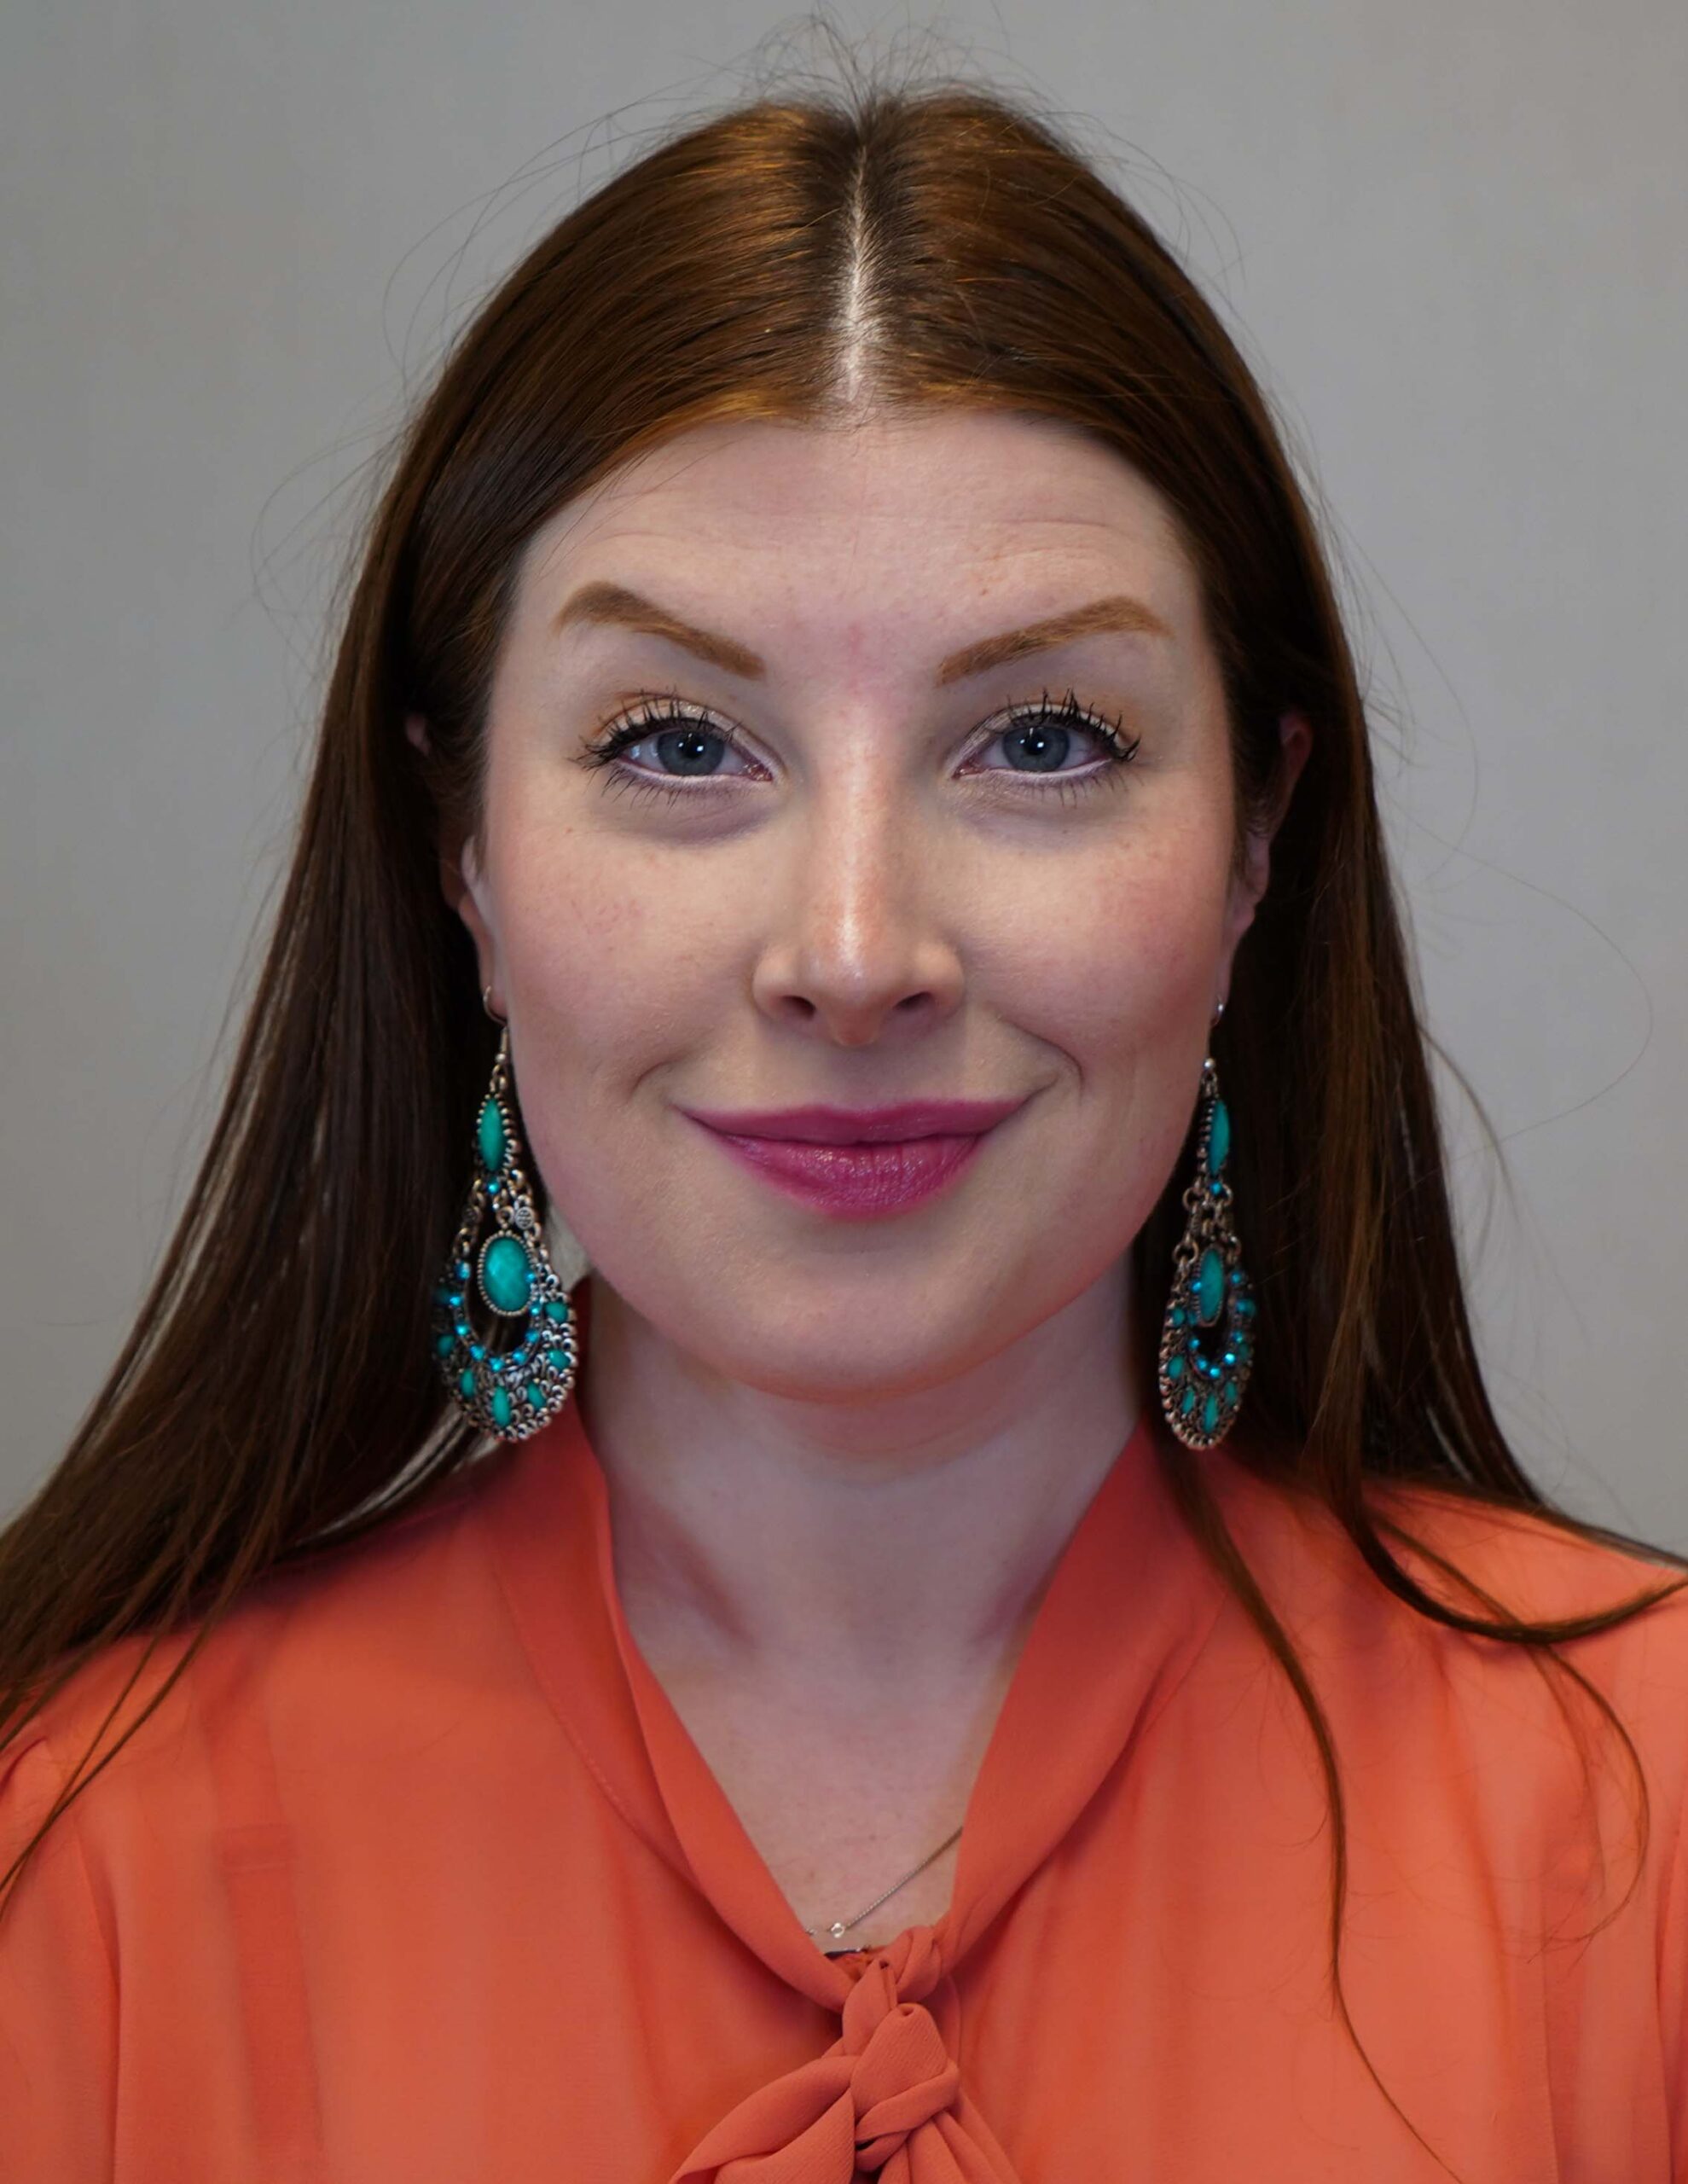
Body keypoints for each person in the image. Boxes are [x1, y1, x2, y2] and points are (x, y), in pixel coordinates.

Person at [3, 59, 1685, 2184]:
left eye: (1045, 738)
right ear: (462, 854)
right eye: (677, 740)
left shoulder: (1653, 1822)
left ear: (1257, 840)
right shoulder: (73, 1865)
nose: (859, 947)